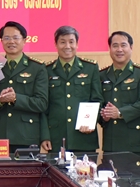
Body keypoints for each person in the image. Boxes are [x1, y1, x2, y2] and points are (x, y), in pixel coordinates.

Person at [0, 21, 48, 153]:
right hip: (0, 136)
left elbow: (42, 103)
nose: (11, 41)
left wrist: (16, 99)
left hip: (27, 136)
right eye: (6, 38)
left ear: (24, 40)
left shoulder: (37, 68)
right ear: (1, 41)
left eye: (16, 37)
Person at [40, 26, 101, 154]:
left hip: (84, 137)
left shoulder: (90, 68)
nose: (67, 46)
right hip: (56, 138)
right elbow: (43, 106)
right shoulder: (46, 70)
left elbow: (97, 99)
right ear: (56, 45)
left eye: (71, 42)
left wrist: (90, 122)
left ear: (77, 44)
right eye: (62, 42)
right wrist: (44, 135)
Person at [98, 31, 140, 162]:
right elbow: (98, 104)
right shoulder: (102, 75)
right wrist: (103, 116)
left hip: (136, 142)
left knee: (137, 176)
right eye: (115, 46)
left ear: (131, 47)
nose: (119, 50)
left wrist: (119, 113)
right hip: (111, 142)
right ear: (110, 49)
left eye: (123, 45)